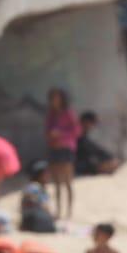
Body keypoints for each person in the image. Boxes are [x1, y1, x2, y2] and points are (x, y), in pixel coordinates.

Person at [44, 87, 80, 220]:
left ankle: (69, 211)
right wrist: (52, 137)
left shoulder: (68, 113)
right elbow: (46, 131)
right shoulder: (51, 114)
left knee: (68, 181)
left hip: (66, 148)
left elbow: (76, 131)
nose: (55, 100)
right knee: (57, 182)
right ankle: (59, 211)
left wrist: (61, 136)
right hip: (54, 148)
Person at [74, 111, 121, 176]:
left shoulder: (82, 133)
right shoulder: (77, 133)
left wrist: (109, 157)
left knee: (112, 163)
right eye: (92, 123)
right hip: (77, 164)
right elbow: (89, 149)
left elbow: (95, 148)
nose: (92, 126)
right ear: (86, 122)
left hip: (83, 162)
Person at [19, 161, 56, 233]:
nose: (48, 175)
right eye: (46, 173)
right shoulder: (33, 186)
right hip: (32, 218)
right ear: (39, 175)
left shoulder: (41, 187)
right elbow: (30, 200)